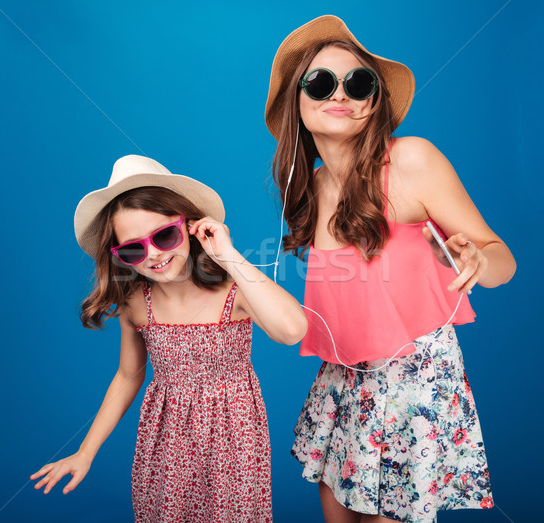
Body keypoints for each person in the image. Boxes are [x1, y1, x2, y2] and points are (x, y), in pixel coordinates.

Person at [264, 15, 516, 523]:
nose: (341, 95)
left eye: (358, 83)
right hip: (346, 378)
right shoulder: (310, 189)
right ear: (298, 100)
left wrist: (478, 259)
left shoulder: (410, 161)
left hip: (413, 381)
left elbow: (501, 260)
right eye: (320, 83)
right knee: (335, 507)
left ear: (374, 101)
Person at [30, 154, 307, 522]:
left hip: (232, 442)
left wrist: (228, 256)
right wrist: (85, 451)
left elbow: (291, 330)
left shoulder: (234, 292)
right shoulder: (135, 304)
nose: (154, 254)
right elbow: (129, 375)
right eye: (133, 248)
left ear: (191, 226)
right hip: (166, 445)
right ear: (119, 256)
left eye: (164, 235)